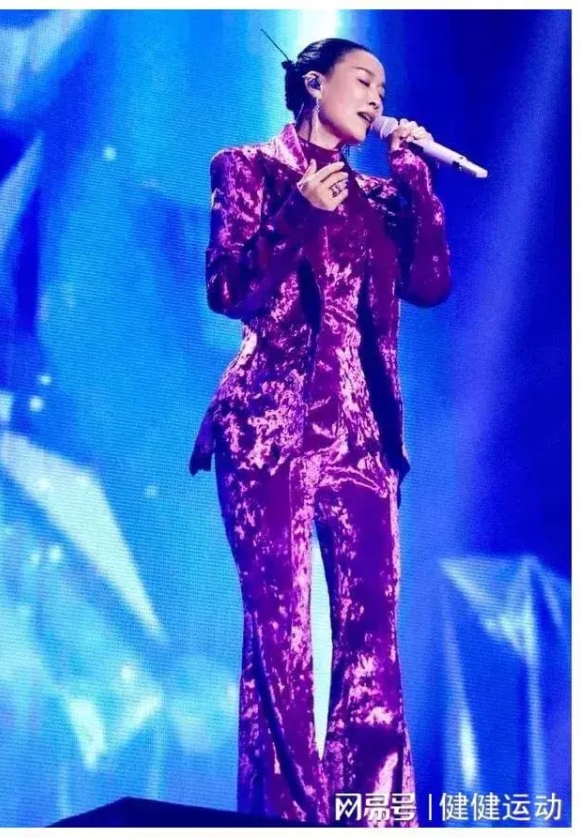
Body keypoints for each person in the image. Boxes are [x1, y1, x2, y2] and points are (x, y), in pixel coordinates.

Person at [189, 37, 451, 827]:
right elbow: (227, 289)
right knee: (283, 639)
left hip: (364, 440)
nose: (376, 99)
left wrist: (414, 176)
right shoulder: (248, 169)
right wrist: (299, 211)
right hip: (268, 430)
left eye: (383, 90)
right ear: (313, 82)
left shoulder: (378, 197)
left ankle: (373, 817)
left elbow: (431, 283)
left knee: (372, 642)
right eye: (363, 81)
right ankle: (286, 819)